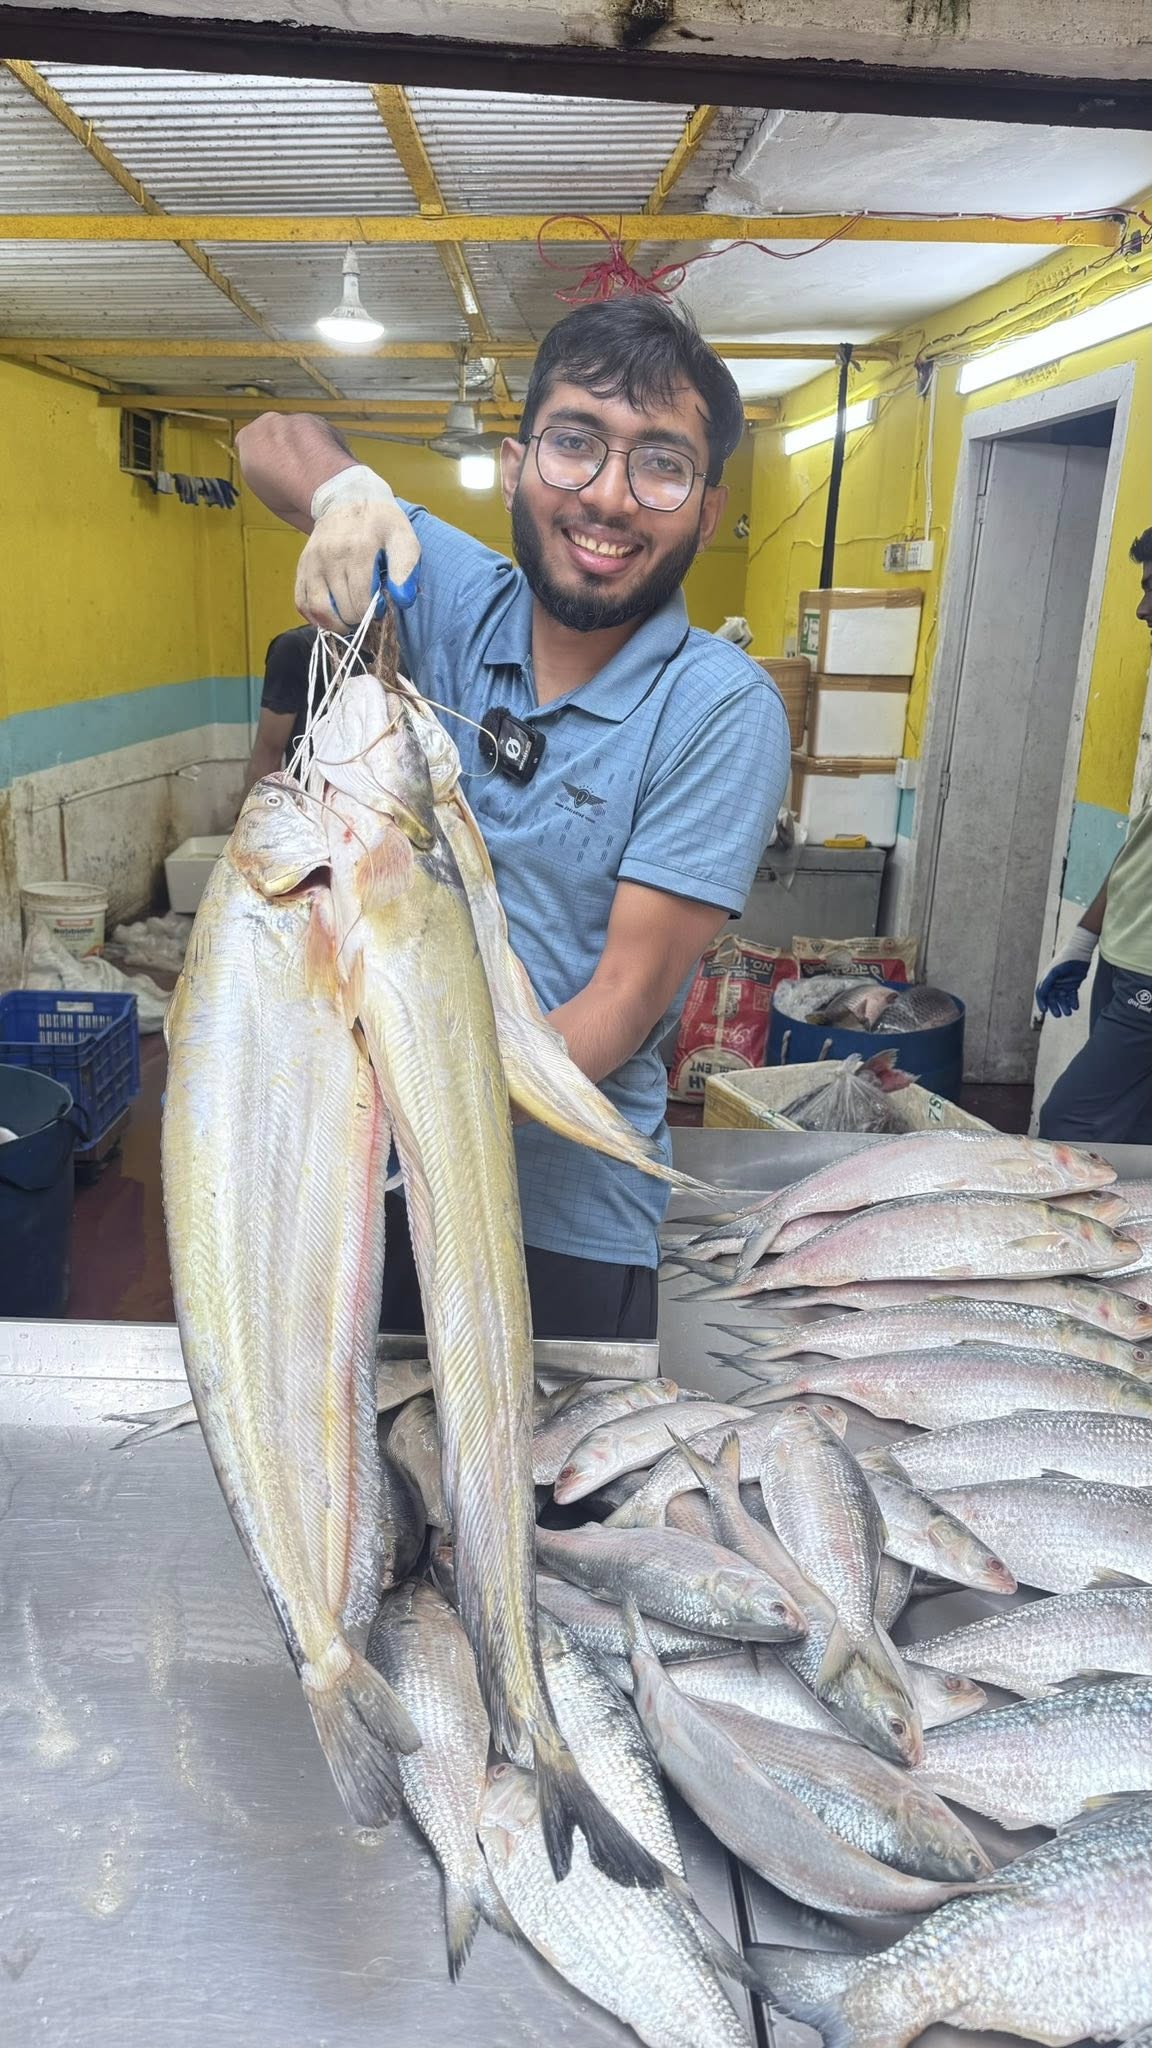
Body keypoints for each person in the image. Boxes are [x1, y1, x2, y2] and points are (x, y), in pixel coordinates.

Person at [236, 297, 790, 1339]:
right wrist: (347, 490)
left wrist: (418, 1095)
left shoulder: (717, 708)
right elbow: (269, 440)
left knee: (545, 1492)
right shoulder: (451, 591)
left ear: (709, 511)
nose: (610, 498)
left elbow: (620, 1003)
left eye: (662, 464)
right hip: (354, 1187)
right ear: (515, 462)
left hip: (562, 1226)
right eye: (575, 444)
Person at [1037, 526, 1152, 1143]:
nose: (1142, 609)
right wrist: (1082, 944)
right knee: (1132, 1135)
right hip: (1124, 959)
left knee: (1071, 1123)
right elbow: (1142, 844)